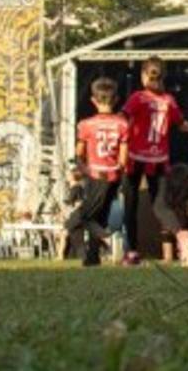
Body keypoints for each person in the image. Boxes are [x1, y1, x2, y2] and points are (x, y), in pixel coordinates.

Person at [121, 57, 188, 263]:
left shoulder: (137, 98)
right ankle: (182, 236)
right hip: (159, 159)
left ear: (143, 75)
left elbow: (123, 119)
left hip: (136, 158)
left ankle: (132, 252)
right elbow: (182, 125)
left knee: (131, 205)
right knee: (161, 206)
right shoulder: (169, 101)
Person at [69, 77, 130, 266]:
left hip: (95, 175)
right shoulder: (123, 125)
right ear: (116, 99)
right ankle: (91, 258)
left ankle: (104, 238)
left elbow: (79, 155)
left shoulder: (85, 125)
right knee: (98, 217)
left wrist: (81, 172)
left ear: (93, 100)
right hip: (113, 177)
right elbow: (123, 159)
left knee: (76, 221)